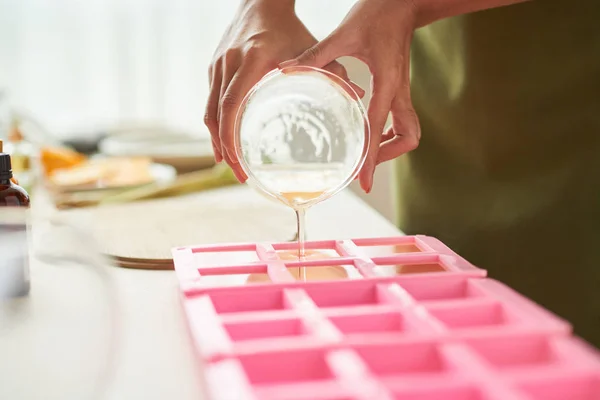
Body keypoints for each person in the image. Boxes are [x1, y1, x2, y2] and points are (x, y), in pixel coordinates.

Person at [204, 0, 600, 346]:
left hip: (571, 111)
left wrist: (404, 3)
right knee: (439, 312)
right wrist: (266, 6)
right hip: (447, 103)